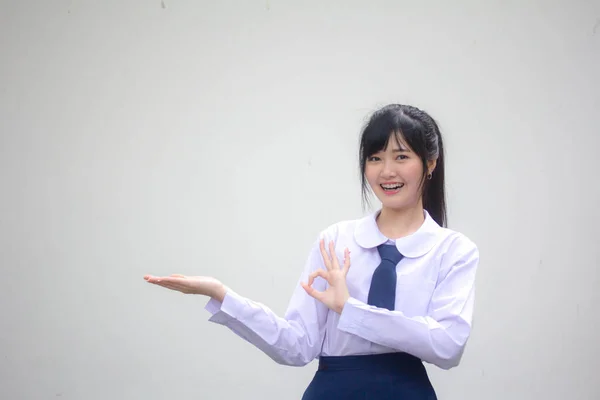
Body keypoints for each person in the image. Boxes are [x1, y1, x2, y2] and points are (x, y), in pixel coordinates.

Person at [144, 104, 479, 399]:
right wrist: (222, 295)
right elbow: (296, 346)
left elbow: (448, 346)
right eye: (375, 158)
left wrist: (351, 310)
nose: (386, 171)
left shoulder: (452, 250)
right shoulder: (336, 240)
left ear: (430, 163)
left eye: (401, 157)